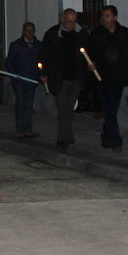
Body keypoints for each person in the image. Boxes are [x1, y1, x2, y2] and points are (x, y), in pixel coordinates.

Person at [39, 9, 88, 151]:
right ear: (62, 19)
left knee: (69, 110)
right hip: (59, 78)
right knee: (62, 110)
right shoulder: (53, 34)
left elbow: (88, 53)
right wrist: (43, 72)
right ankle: (63, 139)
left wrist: (90, 66)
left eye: (73, 22)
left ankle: (68, 135)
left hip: (76, 78)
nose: (71, 25)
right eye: (68, 22)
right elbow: (43, 55)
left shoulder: (81, 34)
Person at [89, 5, 128, 151]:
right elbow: (91, 52)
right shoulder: (97, 34)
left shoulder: (124, 33)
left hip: (119, 77)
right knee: (110, 107)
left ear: (115, 17)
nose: (104, 19)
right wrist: (92, 64)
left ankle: (107, 135)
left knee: (112, 108)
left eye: (107, 16)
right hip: (102, 77)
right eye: (103, 16)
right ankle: (114, 140)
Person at [2, 22, 42, 138]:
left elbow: (41, 62)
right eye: (27, 30)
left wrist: (41, 74)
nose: (30, 33)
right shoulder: (16, 45)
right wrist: (14, 74)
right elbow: (9, 62)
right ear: (23, 31)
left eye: (32, 30)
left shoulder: (38, 45)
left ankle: (28, 129)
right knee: (20, 104)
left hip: (32, 80)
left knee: (29, 105)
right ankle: (19, 129)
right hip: (19, 81)